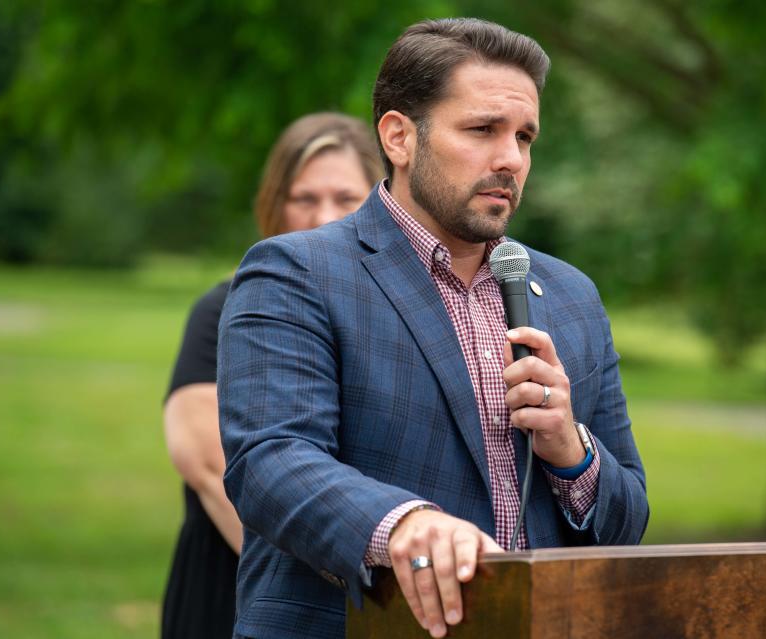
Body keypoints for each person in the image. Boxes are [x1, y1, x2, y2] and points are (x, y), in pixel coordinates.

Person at [218, 18, 649, 639]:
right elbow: (271, 462)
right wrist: (405, 524)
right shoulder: (295, 272)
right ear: (398, 136)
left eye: (525, 137)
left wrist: (572, 452)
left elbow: (629, 519)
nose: (510, 159)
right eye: (482, 130)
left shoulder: (572, 296)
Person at [160, 112, 383, 639]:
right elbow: (210, 464)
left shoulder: (388, 322)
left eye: (346, 197)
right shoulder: (225, 309)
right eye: (304, 198)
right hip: (246, 587)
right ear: (274, 203)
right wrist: (340, 589)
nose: (323, 215)